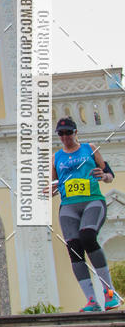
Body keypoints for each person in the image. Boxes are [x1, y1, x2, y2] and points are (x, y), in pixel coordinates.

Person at [51, 116, 119, 312]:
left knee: (88, 236)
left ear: (75, 132)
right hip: (68, 206)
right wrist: (49, 190)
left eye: (68, 133)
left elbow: (108, 175)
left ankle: (109, 294)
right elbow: (53, 183)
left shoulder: (90, 148)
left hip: (92, 201)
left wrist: (104, 176)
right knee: (74, 247)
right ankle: (91, 300)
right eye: (61, 134)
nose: (65, 137)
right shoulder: (56, 157)